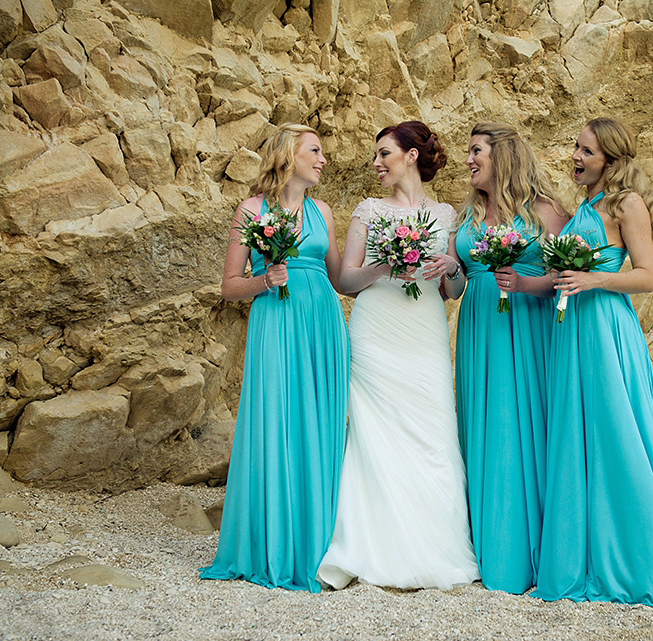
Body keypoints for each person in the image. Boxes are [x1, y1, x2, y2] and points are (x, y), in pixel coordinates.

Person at [532, 117, 653, 604]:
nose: (575, 156)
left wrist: (593, 280)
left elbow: (648, 276)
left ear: (610, 159)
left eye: (586, 151)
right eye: (575, 147)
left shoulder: (625, 204)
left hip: (606, 328)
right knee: (577, 437)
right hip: (571, 332)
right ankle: (582, 555)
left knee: (617, 435)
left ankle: (643, 561)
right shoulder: (583, 207)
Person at [317, 121, 479, 590]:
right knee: (374, 432)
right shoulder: (369, 211)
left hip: (424, 330)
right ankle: (371, 544)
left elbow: (452, 291)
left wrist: (452, 266)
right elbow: (345, 282)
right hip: (375, 329)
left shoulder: (446, 214)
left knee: (433, 428)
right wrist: (387, 262)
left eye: (384, 153)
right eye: (375, 155)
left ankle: (434, 546)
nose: (377, 163)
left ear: (411, 156)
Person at [200, 123, 349, 593]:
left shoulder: (322, 211)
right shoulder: (251, 209)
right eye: (315, 151)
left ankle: (321, 544)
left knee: (321, 424)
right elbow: (228, 287)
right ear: (288, 156)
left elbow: (341, 278)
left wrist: (397, 264)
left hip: (323, 323)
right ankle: (273, 542)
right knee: (276, 419)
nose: (323, 159)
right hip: (275, 322)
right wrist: (265, 280)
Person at [454, 122, 566, 594]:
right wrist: (447, 272)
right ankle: (484, 546)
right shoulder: (469, 213)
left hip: (526, 327)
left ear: (503, 156)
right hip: (478, 325)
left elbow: (564, 279)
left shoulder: (546, 213)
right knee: (481, 426)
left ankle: (525, 551)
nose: (469, 160)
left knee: (520, 425)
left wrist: (523, 284)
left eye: (476, 150)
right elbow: (458, 278)